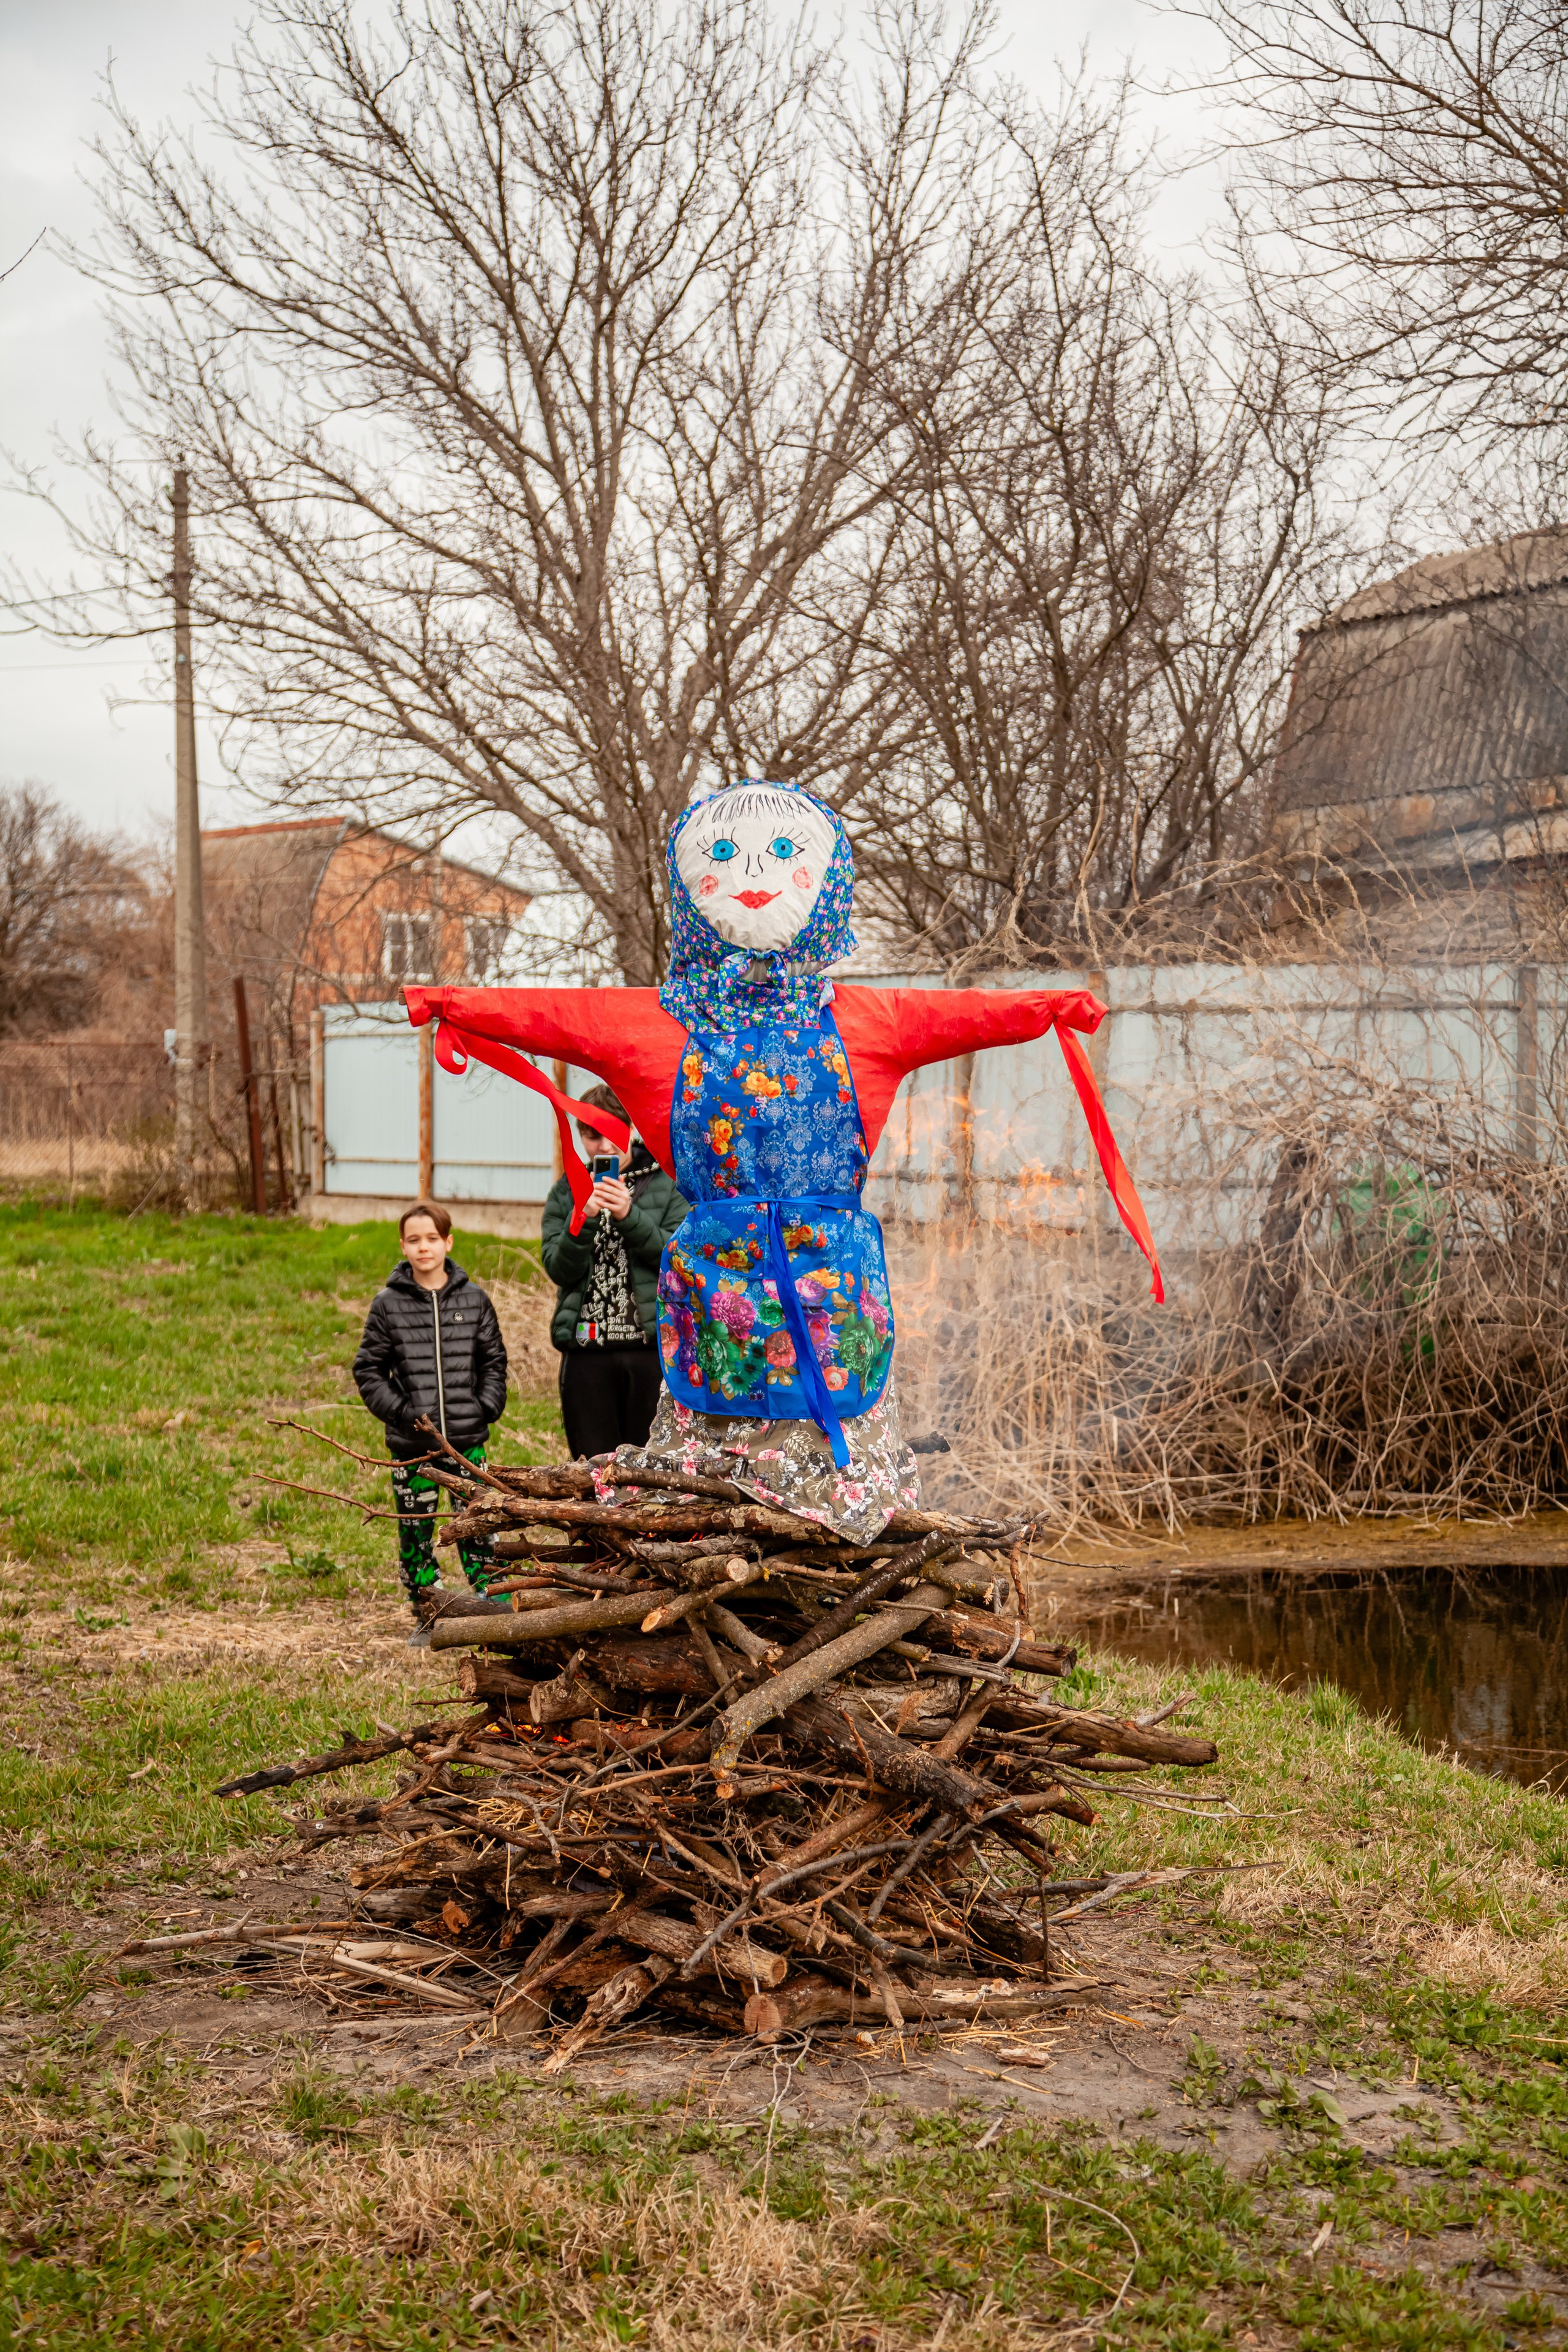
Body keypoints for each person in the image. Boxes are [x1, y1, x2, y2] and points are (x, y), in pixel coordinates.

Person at [403, 777, 1162, 1539]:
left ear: (823, 884)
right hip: (721, 1297)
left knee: (792, 1456)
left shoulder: (862, 1019)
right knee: (720, 1465)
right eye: (726, 857)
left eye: (782, 858)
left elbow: (973, 1012)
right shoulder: (673, 1023)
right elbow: (546, 1014)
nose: (754, 881)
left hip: (822, 1300)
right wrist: (452, 1006)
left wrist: (1051, 1008)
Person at [352, 1200, 508, 1645]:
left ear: (448, 1242)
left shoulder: (474, 1299)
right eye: (415, 1240)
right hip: (413, 1448)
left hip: (467, 1443)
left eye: (433, 1239)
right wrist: (403, 1413)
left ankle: (491, 1599)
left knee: (477, 1521)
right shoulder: (388, 1306)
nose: (424, 1248)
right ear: (403, 1246)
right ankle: (428, 1609)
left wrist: (486, 1405)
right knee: (417, 1528)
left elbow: (493, 1360)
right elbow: (368, 1370)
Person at [541, 1082, 687, 1458]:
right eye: (592, 1137)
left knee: (649, 1464)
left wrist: (627, 1214)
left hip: (649, 1348)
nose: (604, 1148)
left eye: (613, 1135)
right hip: (587, 1351)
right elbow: (559, 1268)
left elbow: (677, 1261)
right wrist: (583, 1217)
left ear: (633, 1128)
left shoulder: (667, 1183)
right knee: (592, 1464)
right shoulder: (567, 1189)